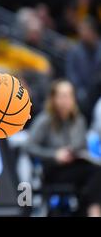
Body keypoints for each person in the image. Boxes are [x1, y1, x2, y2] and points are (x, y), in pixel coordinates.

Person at [26, 79, 101, 217]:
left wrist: (76, 153)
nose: (65, 100)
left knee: (96, 173)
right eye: (62, 96)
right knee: (95, 174)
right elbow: (29, 146)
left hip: (75, 167)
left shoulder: (79, 120)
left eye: (68, 95)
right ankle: (94, 212)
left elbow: (83, 146)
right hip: (53, 170)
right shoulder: (45, 120)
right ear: (54, 99)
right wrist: (54, 154)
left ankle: (88, 211)